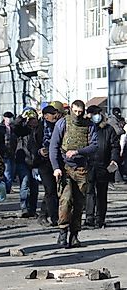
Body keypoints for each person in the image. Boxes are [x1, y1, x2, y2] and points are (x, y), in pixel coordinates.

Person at [49, 100, 98, 248]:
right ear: (71, 109)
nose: (77, 115)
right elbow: (54, 147)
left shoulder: (89, 126)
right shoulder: (62, 124)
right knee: (66, 200)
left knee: (79, 203)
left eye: (80, 112)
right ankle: (62, 232)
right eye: (75, 111)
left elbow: (95, 145)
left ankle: (74, 234)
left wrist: (78, 151)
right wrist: (56, 167)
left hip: (81, 168)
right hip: (65, 168)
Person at [84, 106, 120, 228]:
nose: (95, 116)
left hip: (103, 165)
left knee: (101, 192)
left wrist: (114, 160)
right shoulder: (86, 128)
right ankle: (89, 217)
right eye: (91, 114)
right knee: (89, 191)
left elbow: (115, 146)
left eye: (96, 114)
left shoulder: (108, 129)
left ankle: (100, 218)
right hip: (88, 164)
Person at [12, 109, 41, 217]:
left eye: (34, 119)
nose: (33, 121)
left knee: (34, 186)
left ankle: (32, 209)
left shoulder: (39, 130)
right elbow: (15, 127)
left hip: (36, 162)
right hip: (23, 160)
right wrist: (21, 117)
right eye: (31, 119)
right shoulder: (23, 130)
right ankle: (24, 208)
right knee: (24, 184)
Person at [36, 105, 61, 226]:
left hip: (56, 162)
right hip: (44, 163)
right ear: (46, 116)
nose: (55, 116)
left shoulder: (59, 126)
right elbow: (32, 145)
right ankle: (54, 217)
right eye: (52, 114)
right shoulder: (39, 128)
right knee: (50, 190)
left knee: (52, 191)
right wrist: (39, 151)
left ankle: (43, 214)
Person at [0, 111, 18, 193]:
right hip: (3, 153)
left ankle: (8, 187)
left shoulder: (13, 128)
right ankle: (7, 188)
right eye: (8, 118)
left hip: (12, 152)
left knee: (11, 172)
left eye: (10, 118)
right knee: (7, 172)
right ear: (4, 118)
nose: (9, 120)